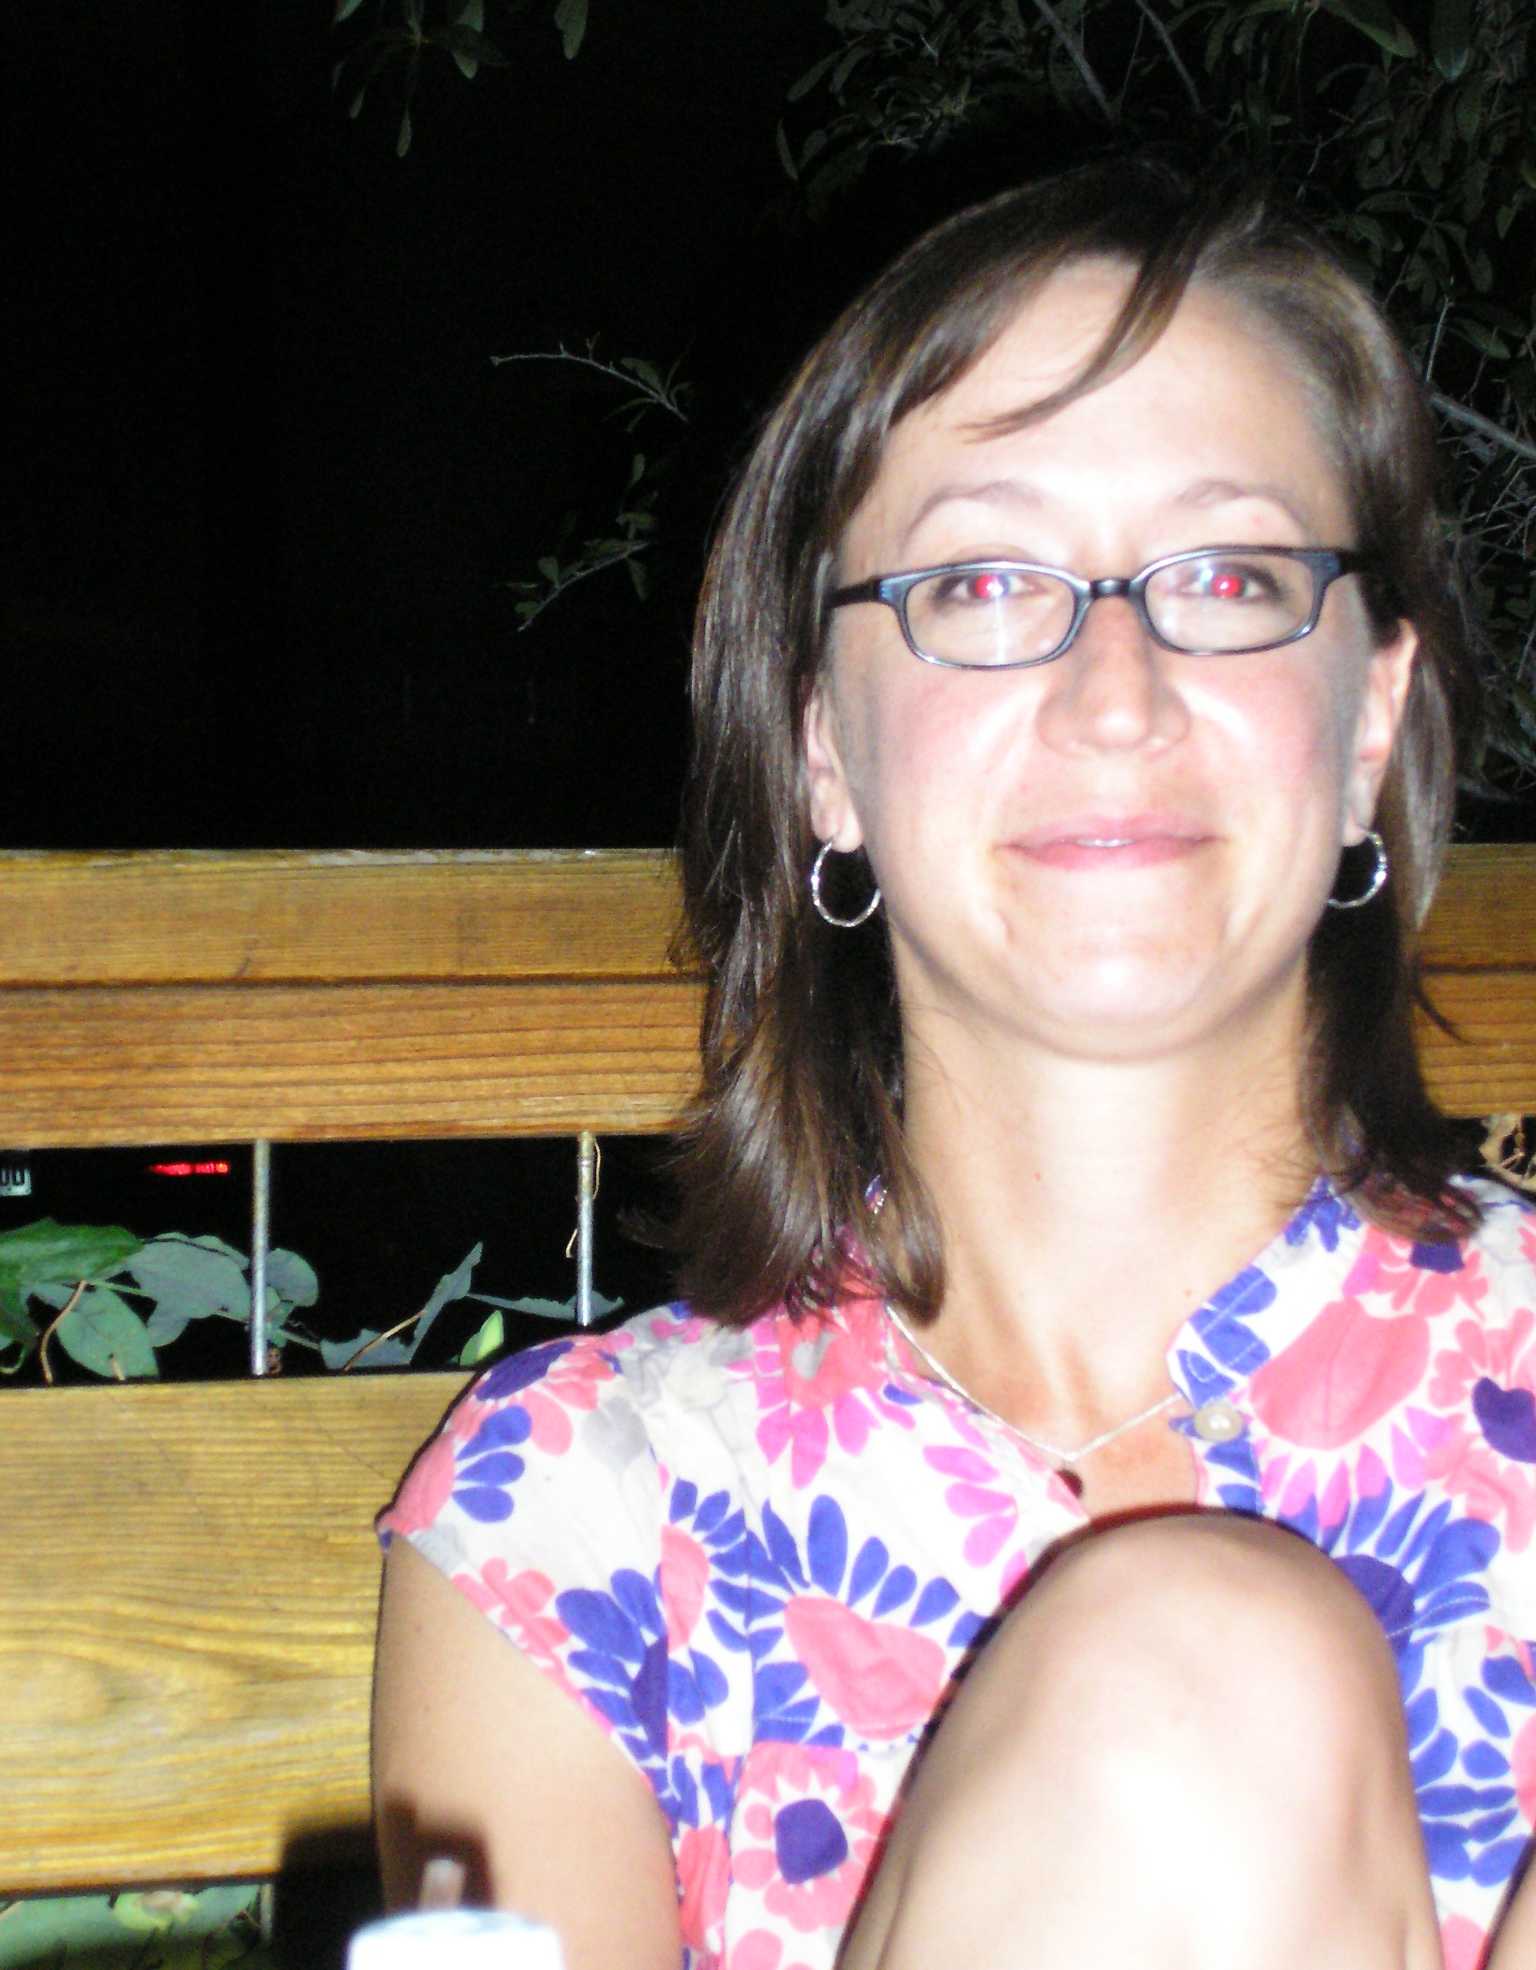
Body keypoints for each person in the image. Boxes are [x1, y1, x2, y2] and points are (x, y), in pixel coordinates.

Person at [371, 159, 1536, 1970]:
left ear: (1371, 717)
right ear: (823, 748)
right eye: (986, 583)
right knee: (1198, 1679)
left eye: (1227, 574)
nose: (1116, 692)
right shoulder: (582, 1515)